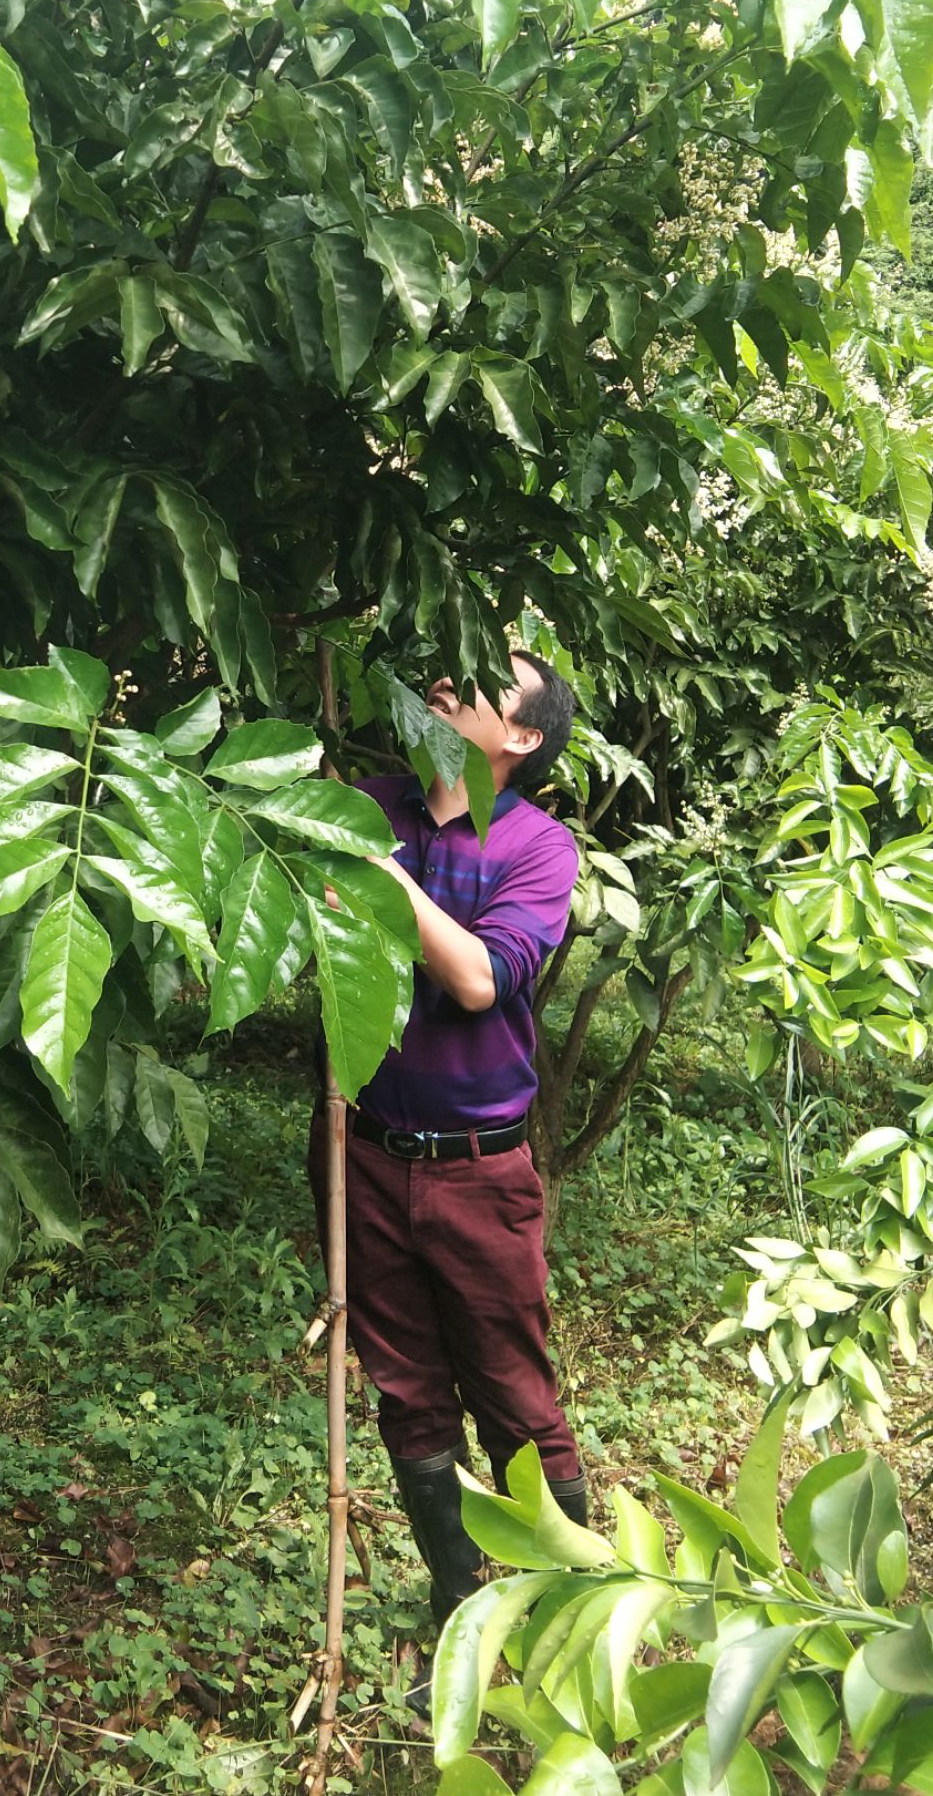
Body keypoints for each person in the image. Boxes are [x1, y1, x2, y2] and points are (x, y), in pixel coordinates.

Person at [310, 651, 585, 1645]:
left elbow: (478, 979)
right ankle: (457, 1602)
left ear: (519, 738)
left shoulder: (539, 849)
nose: (449, 682)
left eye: (486, 682)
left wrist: (371, 870)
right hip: (372, 1155)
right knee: (407, 1393)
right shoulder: (369, 802)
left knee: (515, 1394)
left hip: (480, 1171)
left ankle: (560, 1613)